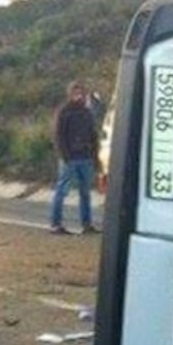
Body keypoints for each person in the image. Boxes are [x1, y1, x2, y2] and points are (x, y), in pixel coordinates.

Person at [51, 81, 100, 235]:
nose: (79, 95)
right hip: (70, 158)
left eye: (81, 92)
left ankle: (87, 225)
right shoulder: (64, 111)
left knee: (85, 192)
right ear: (70, 94)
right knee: (62, 191)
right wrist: (64, 155)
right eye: (75, 92)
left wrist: (95, 155)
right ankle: (56, 224)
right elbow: (58, 135)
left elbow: (93, 134)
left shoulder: (86, 112)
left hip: (86, 157)